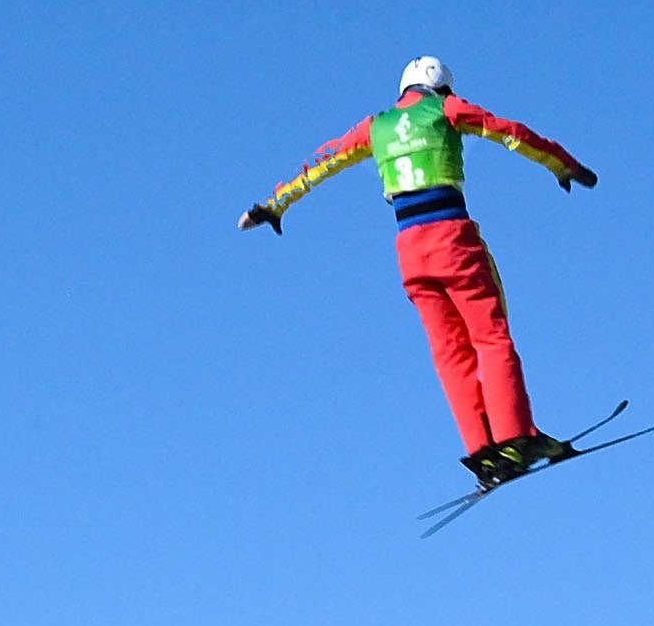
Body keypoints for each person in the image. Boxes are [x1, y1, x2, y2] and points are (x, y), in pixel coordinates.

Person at [239, 58, 594, 485]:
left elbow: (324, 161)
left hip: (409, 250)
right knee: (491, 336)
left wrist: (272, 206)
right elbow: (510, 132)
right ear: (442, 89)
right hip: (452, 239)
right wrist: (562, 164)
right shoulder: (446, 110)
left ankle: (482, 452)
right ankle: (516, 438)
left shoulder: (375, 126)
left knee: (449, 352)